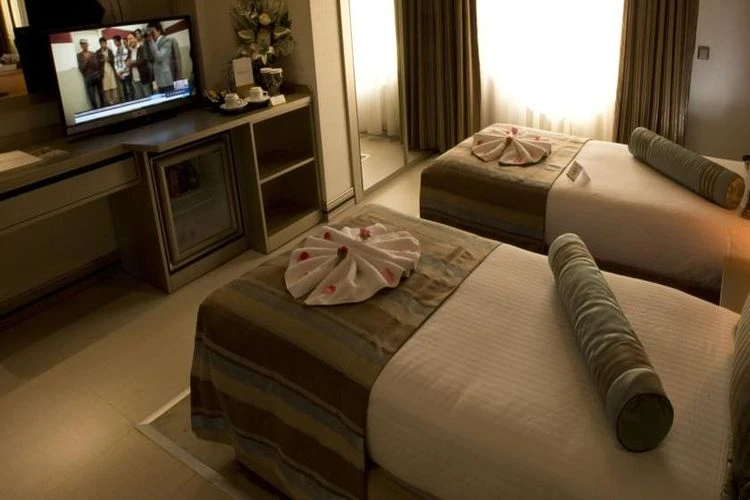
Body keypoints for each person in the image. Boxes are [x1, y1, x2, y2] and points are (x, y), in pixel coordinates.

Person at [146, 22, 175, 93]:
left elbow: (160, 58)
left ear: (159, 31)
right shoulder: (153, 42)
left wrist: (151, 41)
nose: (151, 34)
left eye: (152, 31)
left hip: (166, 81)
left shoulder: (166, 41)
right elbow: (149, 58)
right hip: (158, 81)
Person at [76, 39, 104, 109]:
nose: (84, 45)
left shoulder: (93, 53)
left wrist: (90, 59)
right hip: (88, 79)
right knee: (92, 98)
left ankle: (103, 108)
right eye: (82, 44)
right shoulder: (79, 55)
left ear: (87, 44)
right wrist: (86, 60)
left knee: (101, 94)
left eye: (85, 44)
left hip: (97, 76)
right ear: (81, 46)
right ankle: (96, 111)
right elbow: (81, 69)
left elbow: (96, 66)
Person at [125, 31, 154, 99]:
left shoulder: (142, 47)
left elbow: (144, 59)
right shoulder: (130, 50)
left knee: (149, 98)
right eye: (128, 39)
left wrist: (133, 62)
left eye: (131, 38)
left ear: (136, 38)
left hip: (144, 78)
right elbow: (127, 59)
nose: (130, 41)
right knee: (140, 99)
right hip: (134, 80)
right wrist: (126, 62)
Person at [97, 37, 119, 106]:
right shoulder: (98, 52)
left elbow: (113, 60)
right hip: (103, 73)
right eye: (101, 44)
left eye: (103, 43)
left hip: (111, 71)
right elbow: (97, 63)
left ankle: (116, 102)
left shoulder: (110, 51)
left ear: (106, 43)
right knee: (106, 88)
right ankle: (109, 103)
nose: (102, 45)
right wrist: (102, 60)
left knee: (113, 86)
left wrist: (108, 59)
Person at [113, 35, 134, 102]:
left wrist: (121, 71)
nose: (115, 43)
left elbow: (126, 63)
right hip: (120, 75)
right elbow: (115, 62)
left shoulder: (125, 50)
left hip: (126, 73)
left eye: (115, 41)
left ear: (119, 41)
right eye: (114, 42)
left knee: (129, 90)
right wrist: (117, 71)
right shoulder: (116, 51)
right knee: (124, 92)